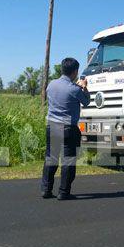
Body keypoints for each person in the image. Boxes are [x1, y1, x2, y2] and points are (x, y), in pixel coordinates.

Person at [41, 57, 90, 200]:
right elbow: (86, 101)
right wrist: (84, 87)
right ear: (75, 72)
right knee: (68, 160)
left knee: (51, 158)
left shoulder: (51, 84)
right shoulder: (75, 89)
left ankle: (46, 189)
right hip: (68, 128)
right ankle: (64, 192)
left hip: (52, 125)